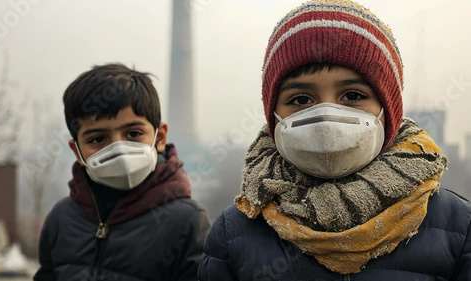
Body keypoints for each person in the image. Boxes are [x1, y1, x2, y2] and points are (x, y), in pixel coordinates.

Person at [198, 1, 471, 280]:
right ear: (273, 116)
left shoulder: (458, 230)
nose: (325, 118)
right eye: (301, 99)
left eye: (352, 96)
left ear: (388, 112)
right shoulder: (233, 234)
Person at [33, 63, 210, 281]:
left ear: (160, 137)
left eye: (133, 133)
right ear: (77, 151)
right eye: (98, 139)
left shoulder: (187, 222)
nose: (117, 149)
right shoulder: (61, 219)